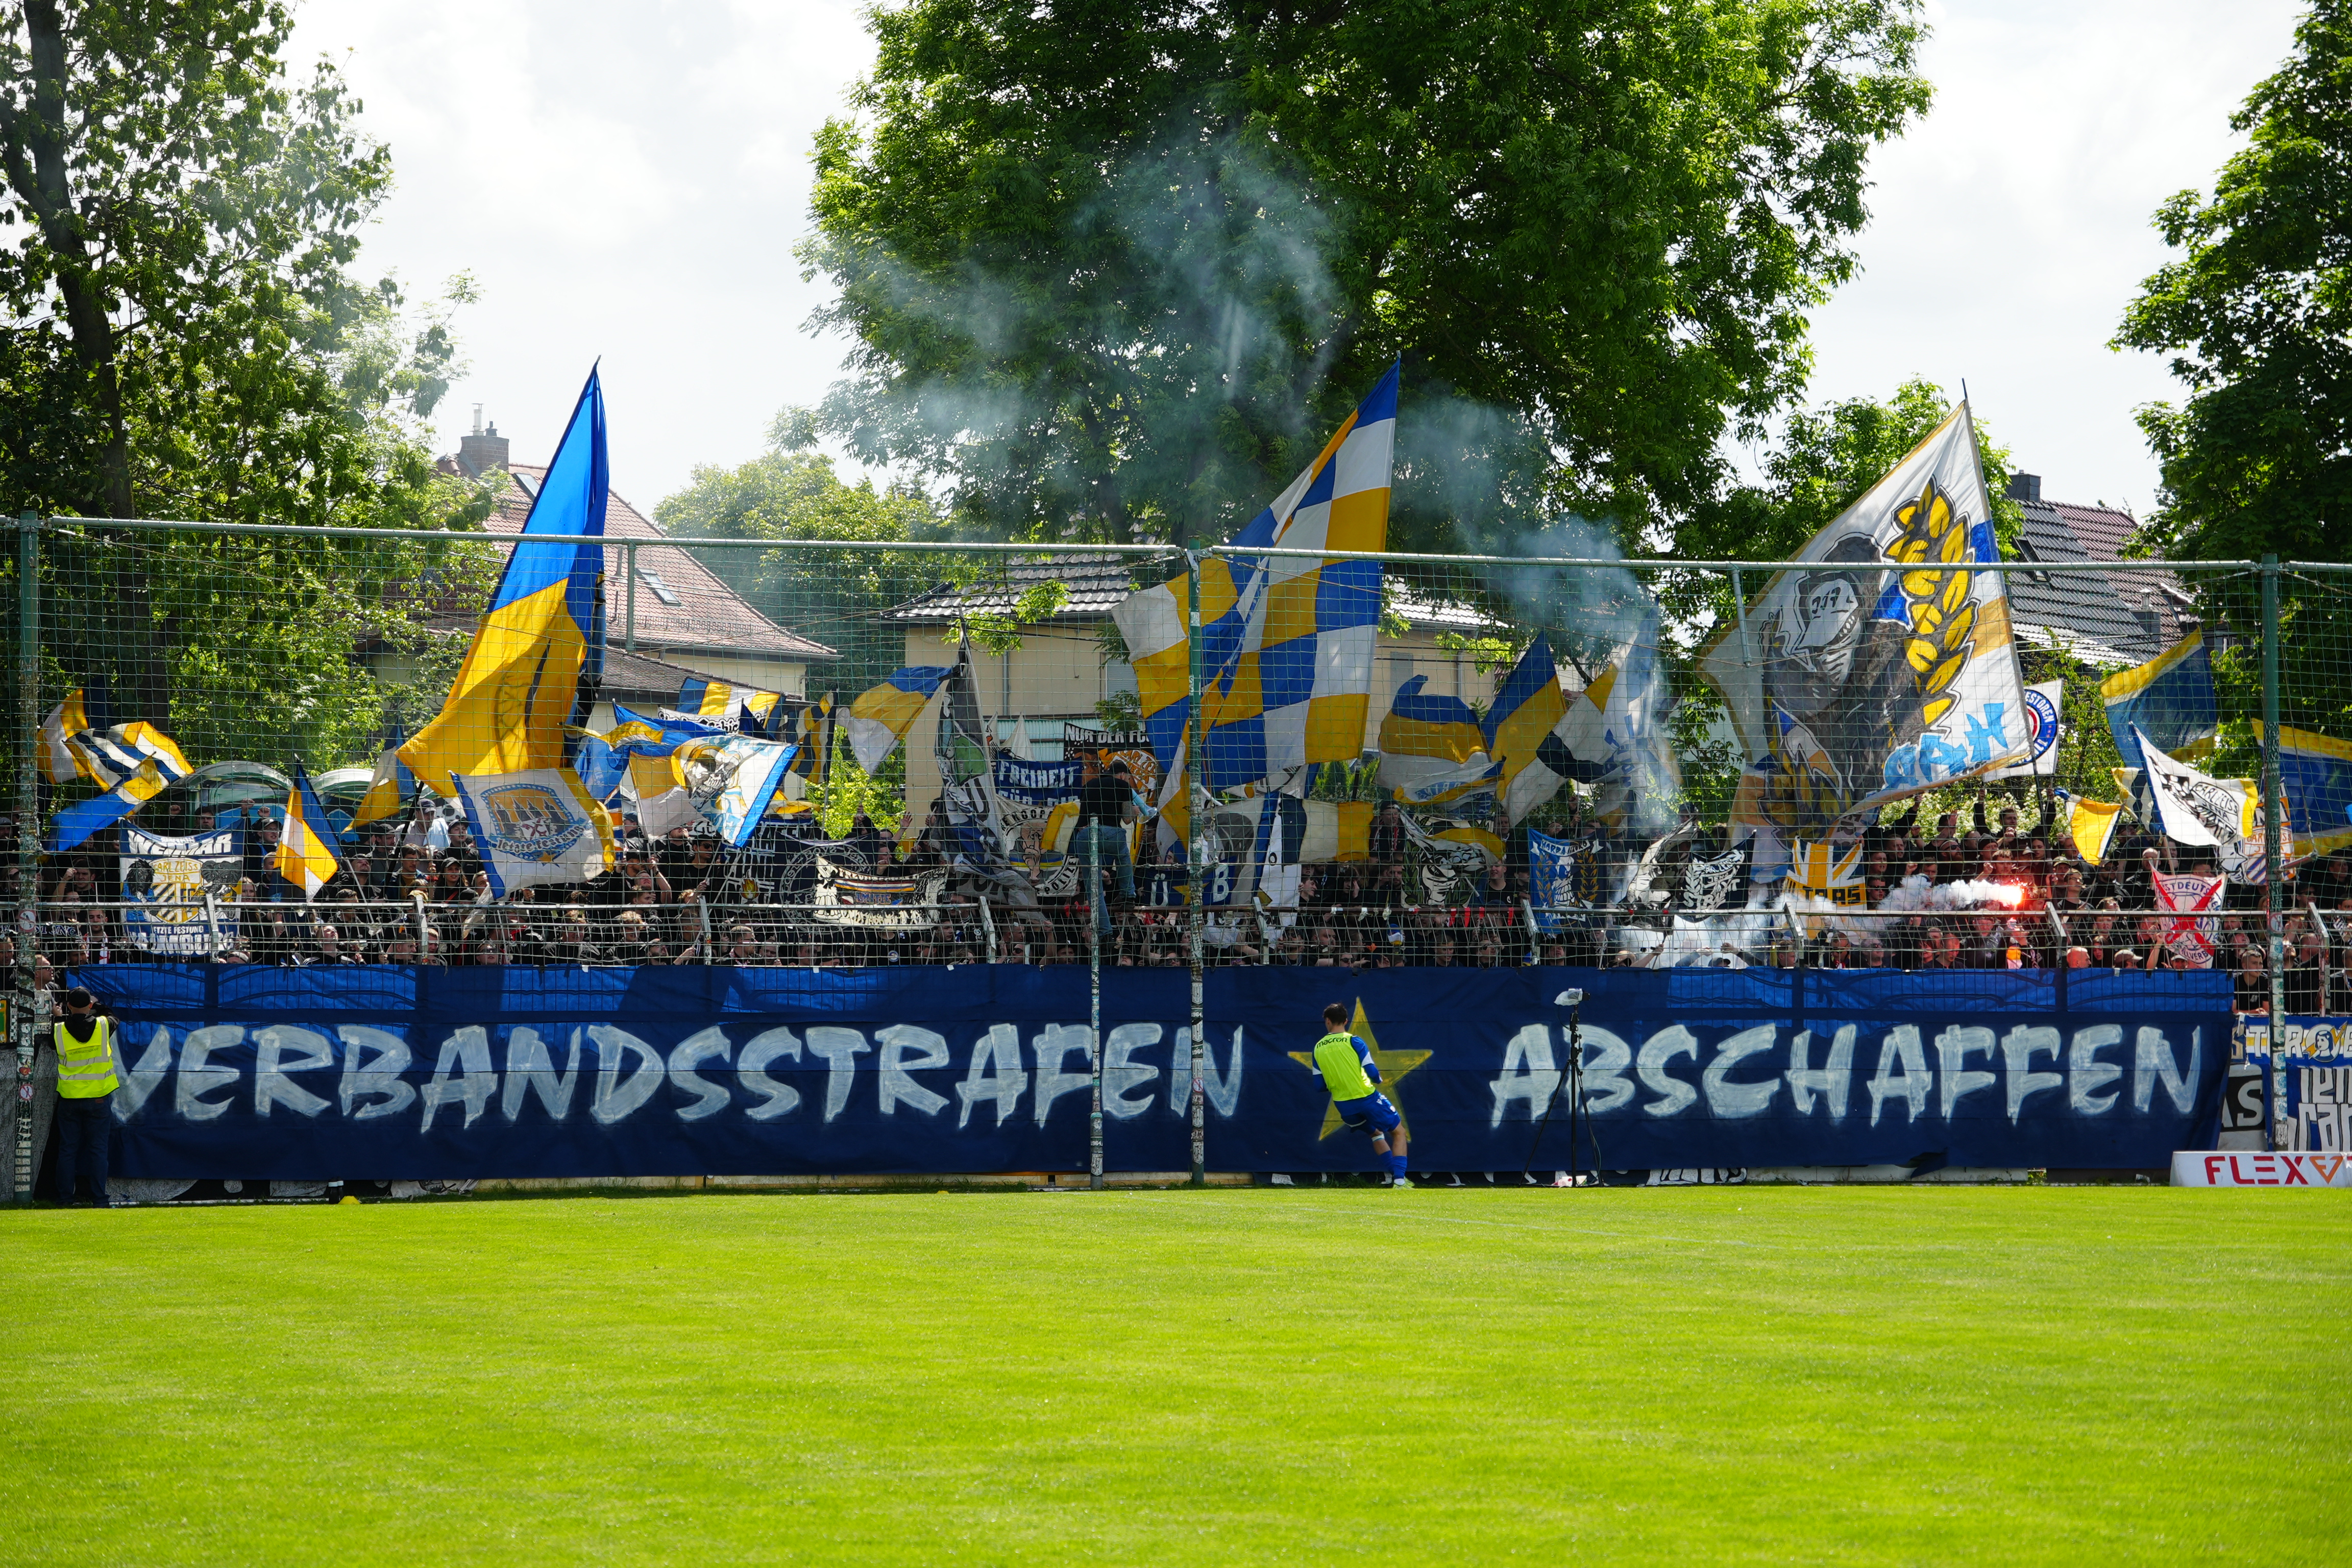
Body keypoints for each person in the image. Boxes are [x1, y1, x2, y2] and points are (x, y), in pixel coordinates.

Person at [1307, 1001, 1411, 1188]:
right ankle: (1400, 1180)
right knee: (1399, 1132)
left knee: (1376, 1133)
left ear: (1328, 1021)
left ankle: (1396, 1177)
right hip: (1367, 1098)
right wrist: (1379, 1080)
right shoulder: (1353, 1041)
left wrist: (1338, 1082)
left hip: (1344, 1107)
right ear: (1346, 1021)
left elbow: (1319, 1086)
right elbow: (1371, 1072)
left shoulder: (1317, 1048)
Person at [51, 987, 117, 1206]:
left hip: (69, 1099)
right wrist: (96, 1004)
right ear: (89, 1005)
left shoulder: (58, 1029)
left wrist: (58, 1016)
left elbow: (52, 1041)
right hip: (98, 1098)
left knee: (68, 1151)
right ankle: (100, 1200)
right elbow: (113, 1016)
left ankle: (64, 1199)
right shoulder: (103, 1024)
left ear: (68, 1006)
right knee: (98, 1151)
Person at [1073, 757, 1139, 934]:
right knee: (1124, 859)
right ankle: (1128, 895)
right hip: (1111, 833)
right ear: (1123, 775)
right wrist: (1135, 811)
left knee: (1093, 885)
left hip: (1085, 833)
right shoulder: (1124, 786)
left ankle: (1104, 932)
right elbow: (1126, 819)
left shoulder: (1090, 785)